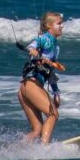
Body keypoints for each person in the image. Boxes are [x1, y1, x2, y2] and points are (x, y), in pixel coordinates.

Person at [18, 11, 66, 143]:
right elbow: (33, 45)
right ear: (49, 26)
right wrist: (32, 49)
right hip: (32, 85)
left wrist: (56, 92)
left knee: (37, 129)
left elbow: (50, 73)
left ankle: (15, 149)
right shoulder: (45, 38)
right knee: (53, 114)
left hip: (25, 88)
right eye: (59, 23)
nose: (62, 26)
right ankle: (44, 149)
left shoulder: (55, 47)